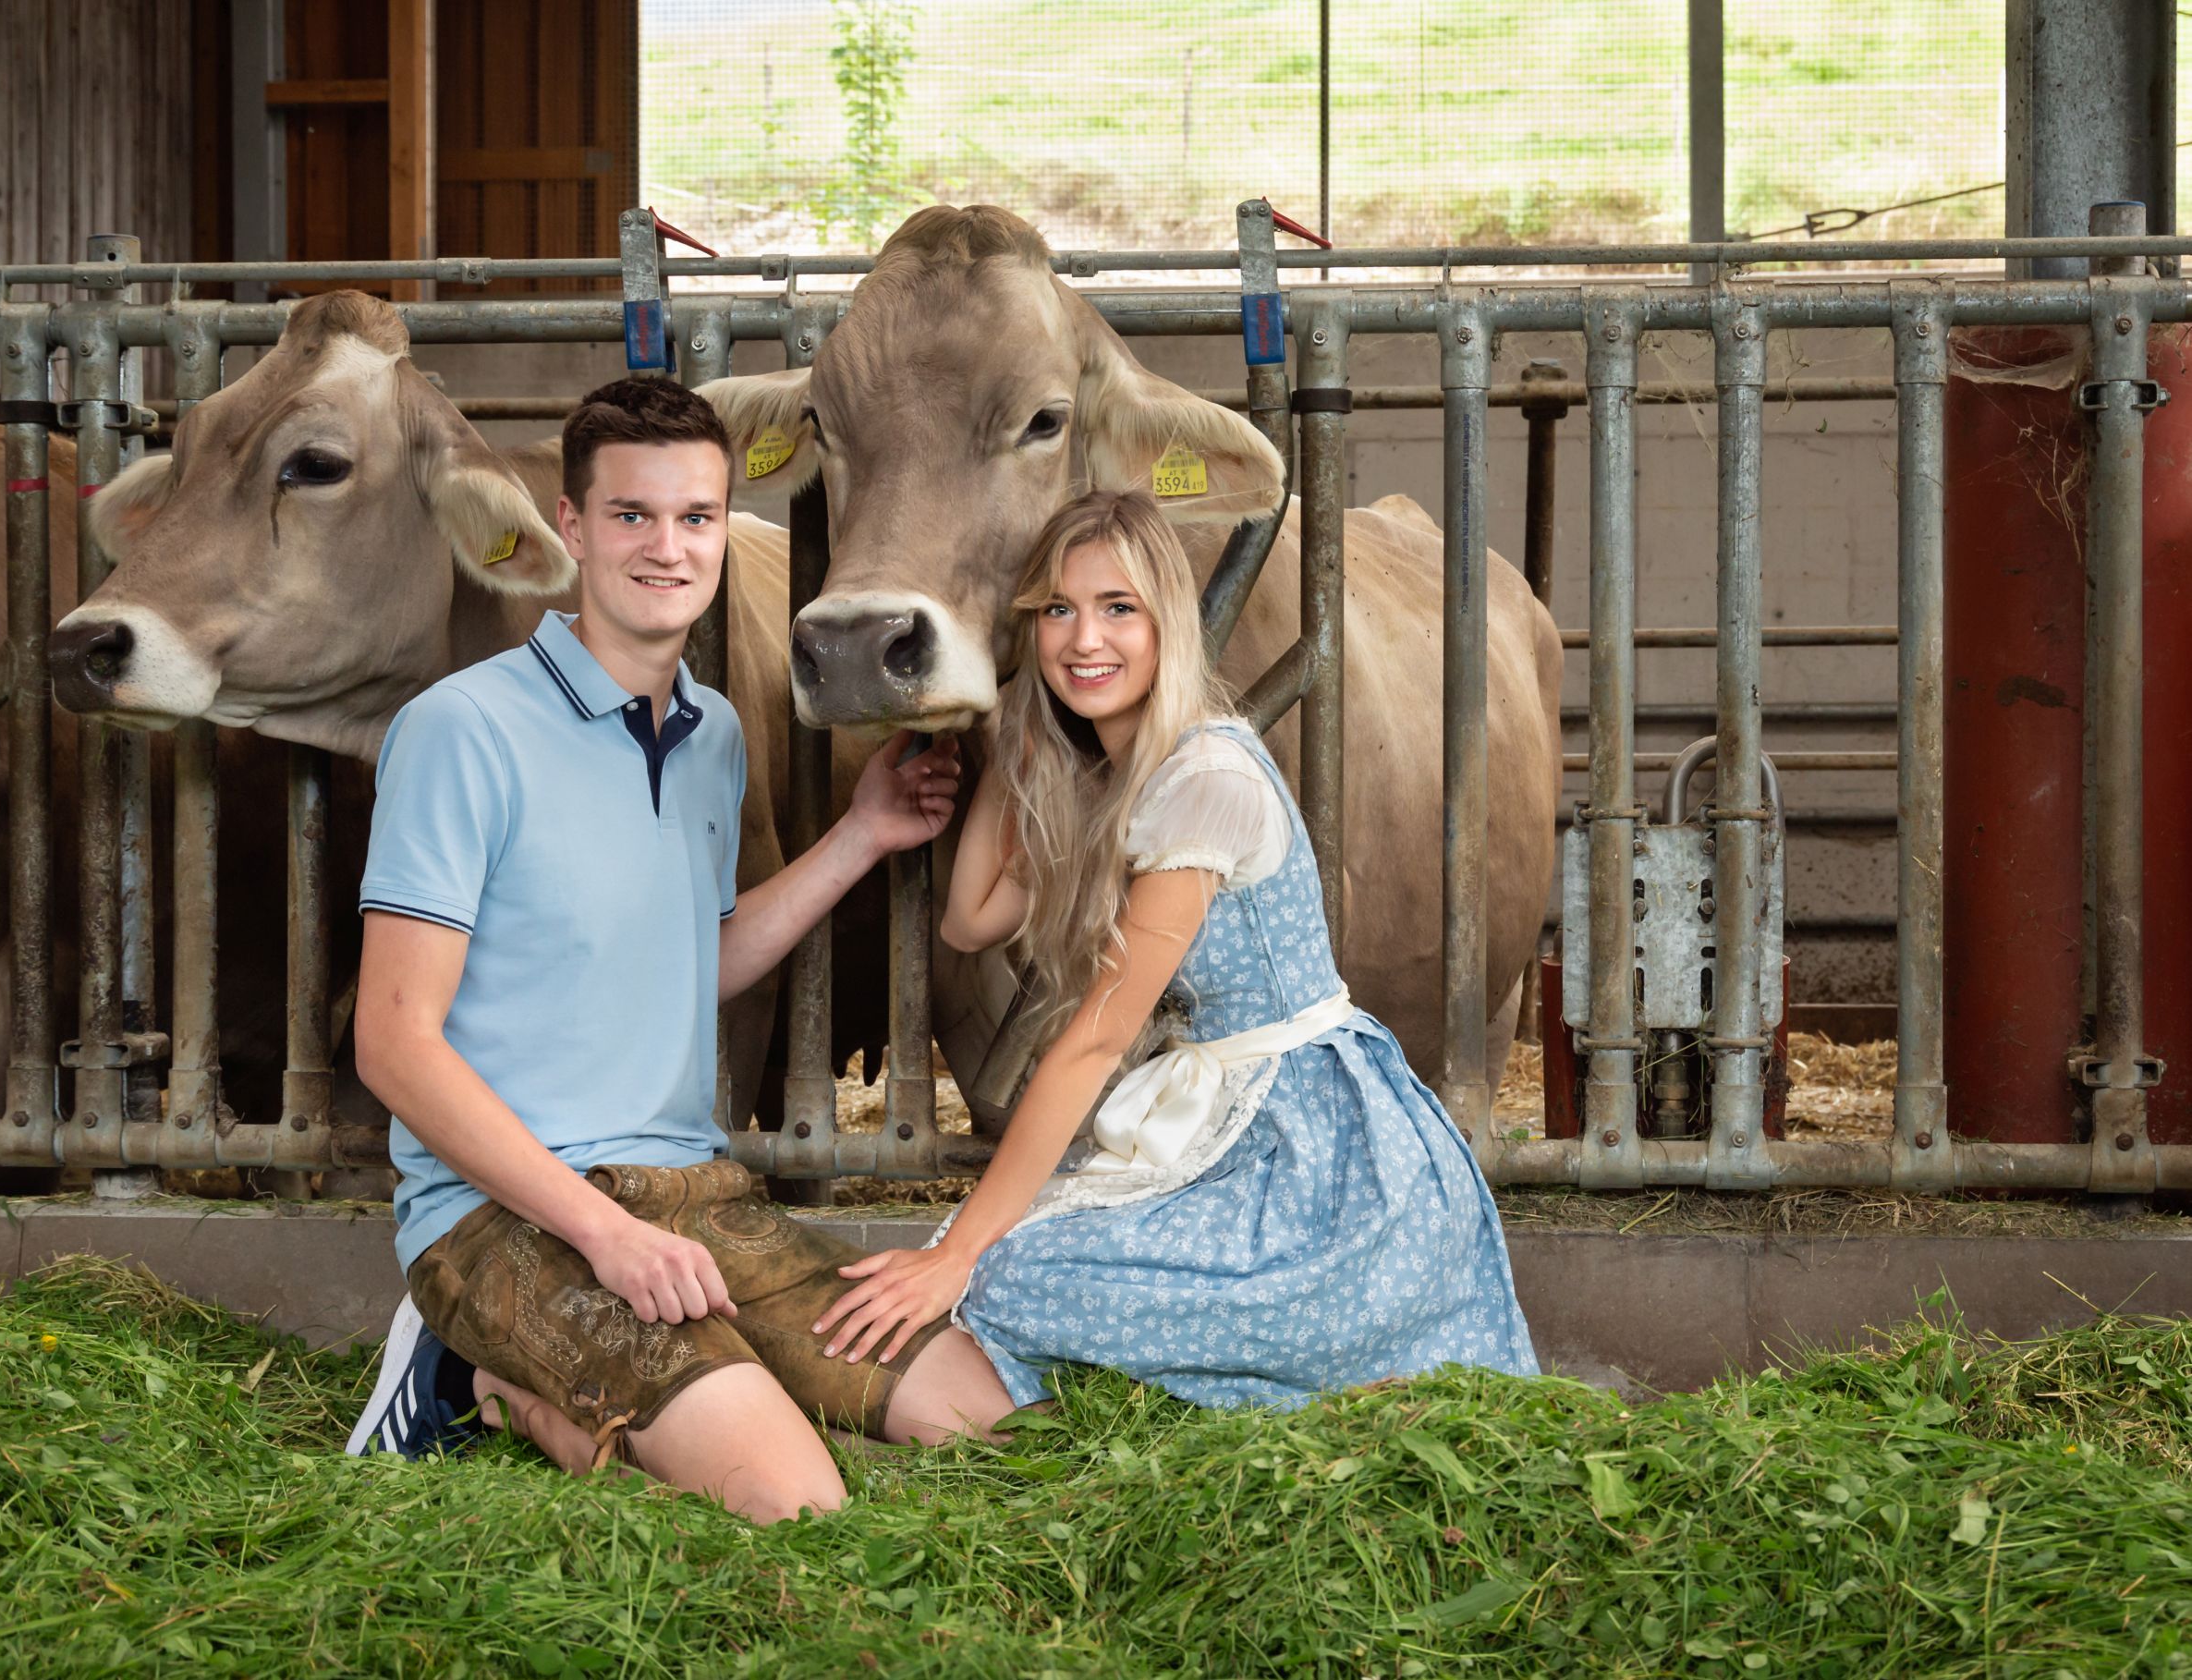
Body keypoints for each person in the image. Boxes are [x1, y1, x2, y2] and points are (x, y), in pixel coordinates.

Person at [342, 377, 1013, 1524]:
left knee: (989, 1424)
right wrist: (604, 1235)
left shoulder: (712, 737)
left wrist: (861, 834)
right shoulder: (462, 730)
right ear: (571, 529)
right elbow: (393, 1047)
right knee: (802, 1504)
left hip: (693, 1191)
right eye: (632, 516)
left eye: (697, 518)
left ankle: (541, 1380)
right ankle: (479, 1379)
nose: (669, 547)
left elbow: (693, 962)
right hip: (503, 1215)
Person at [813, 490, 1540, 1407]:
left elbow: (1093, 1043)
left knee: (1000, 1272)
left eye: (1120, 609)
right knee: (1001, 1260)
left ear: (1169, 627)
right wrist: (1007, 727)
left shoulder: (1205, 779)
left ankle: (1296, 1401)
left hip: (1316, 1157)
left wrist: (959, 1254)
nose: (1086, 641)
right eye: (1057, 613)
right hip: (1236, 1122)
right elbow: (972, 919)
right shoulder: (1118, 777)